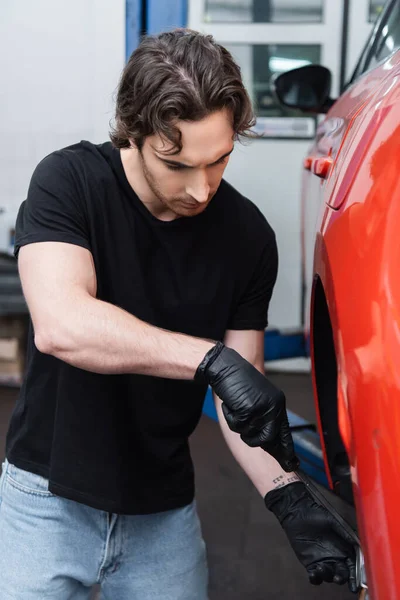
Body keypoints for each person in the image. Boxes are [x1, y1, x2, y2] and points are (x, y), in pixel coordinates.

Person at [0, 29, 357, 599]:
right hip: (46, 499)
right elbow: (62, 324)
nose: (200, 189)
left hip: (161, 511)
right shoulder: (69, 184)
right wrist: (208, 359)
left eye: (218, 160)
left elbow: (243, 402)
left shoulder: (247, 237)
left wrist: (289, 499)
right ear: (134, 133)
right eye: (177, 164)